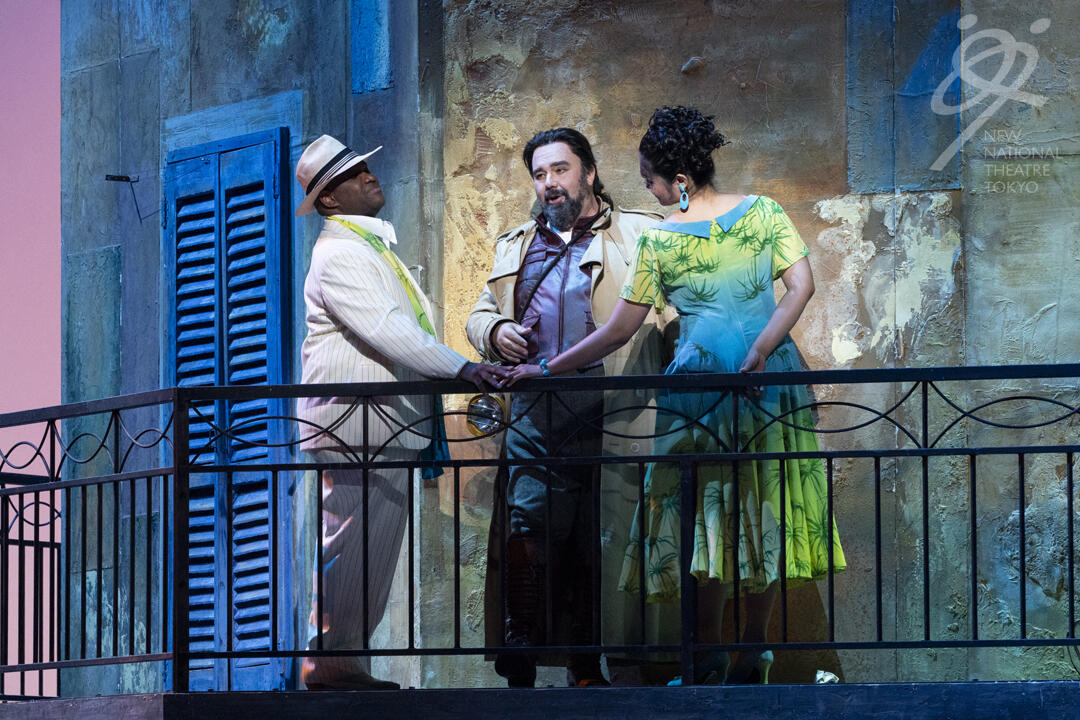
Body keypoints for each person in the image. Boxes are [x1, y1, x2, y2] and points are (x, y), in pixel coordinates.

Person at [505, 107, 846, 685]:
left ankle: (719, 655)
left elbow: (618, 330)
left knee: (718, 511)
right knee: (748, 508)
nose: (648, 190)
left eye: (651, 180)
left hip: (713, 386)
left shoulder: (672, 236)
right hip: (753, 380)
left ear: (680, 181)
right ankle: (742, 652)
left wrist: (544, 368)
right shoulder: (754, 213)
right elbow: (800, 287)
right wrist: (761, 349)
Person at [295, 134, 506, 690]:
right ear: (329, 199)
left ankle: (344, 662)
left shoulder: (368, 246)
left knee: (370, 551)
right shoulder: (340, 253)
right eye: (352, 174)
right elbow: (389, 330)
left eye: (365, 166)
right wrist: (464, 368)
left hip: (383, 425)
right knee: (351, 547)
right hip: (356, 425)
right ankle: (329, 662)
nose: (369, 175)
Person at [467, 128, 669, 687]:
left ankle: (586, 662)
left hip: (615, 403)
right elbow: (479, 313)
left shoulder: (640, 232)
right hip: (536, 407)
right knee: (529, 523)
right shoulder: (517, 244)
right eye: (539, 174)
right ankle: (521, 647)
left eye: (560, 170)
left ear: (589, 173)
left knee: (597, 533)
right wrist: (495, 331)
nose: (549, 183)